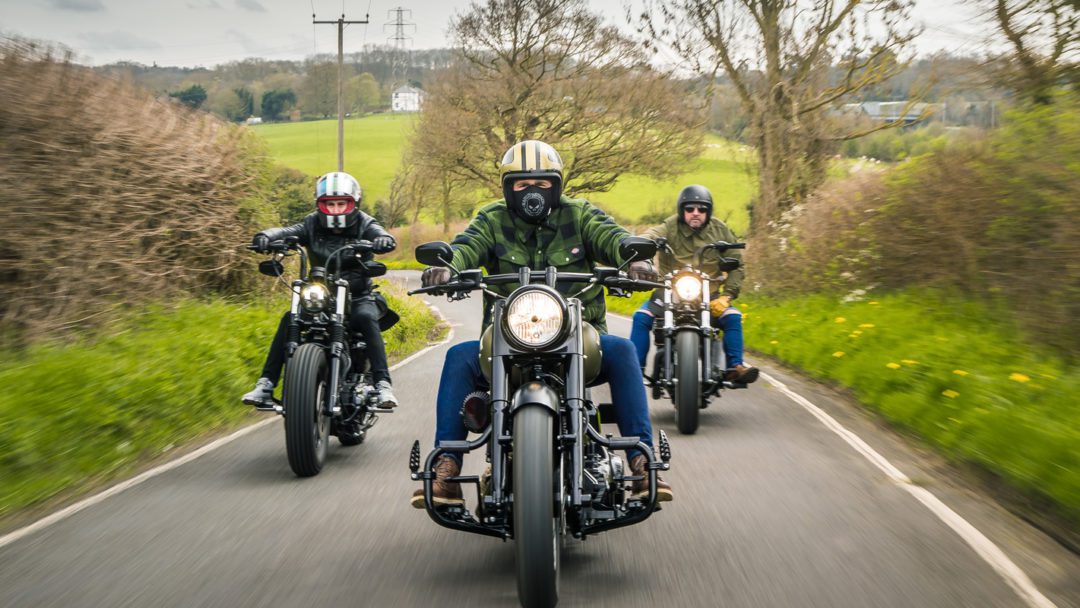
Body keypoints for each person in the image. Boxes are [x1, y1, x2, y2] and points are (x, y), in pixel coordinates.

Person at [412, 140, 673, 509]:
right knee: (460, 356)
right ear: (508, 188)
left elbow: (610, 236)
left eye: (542, 184)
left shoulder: (580, 214)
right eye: (521, 185)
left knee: (623, 350)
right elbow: (466, 245)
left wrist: (632, 260)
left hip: (579, 336)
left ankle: (642, 462)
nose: (532, 192)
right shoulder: (492, 218)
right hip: (507, 336)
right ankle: (447, 469)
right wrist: (446, 264)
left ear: (556, 185)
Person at [242, 171, 401, 409]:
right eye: (329, 204)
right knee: (290, 320)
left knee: (367, 318)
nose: (335, 209)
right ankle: (265, 385)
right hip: (320, 294)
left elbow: (380, 233)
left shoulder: (365, 222)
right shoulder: (311, 223)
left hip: (357, 296)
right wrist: (266, 236)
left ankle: (382, 385)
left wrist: (383, 240)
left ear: (353, 203)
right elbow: (287, 232)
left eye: (341, 203)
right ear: (320, 205)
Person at [629, 184, 759, 385]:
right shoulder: (669, 226)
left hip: (710, 294)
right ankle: (634, 372)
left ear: (708, 211)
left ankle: (736, 367)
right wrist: (640, 244)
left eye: (702, 209)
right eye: (690, 209)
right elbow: (651, 235)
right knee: (641, 317)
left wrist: (727, 296)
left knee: (733, 317)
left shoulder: (720, 230)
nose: (696, 213)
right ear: (682, 210)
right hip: (669, 292)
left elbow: (737, 265)